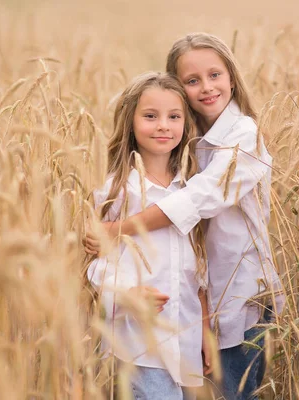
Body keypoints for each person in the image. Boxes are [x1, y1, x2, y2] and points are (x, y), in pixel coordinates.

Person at [84, 33, 284, 399]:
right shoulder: (180, 148)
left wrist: (118, 229)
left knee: (232, 394)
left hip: (241, 297)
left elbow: (202, 198)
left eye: (214, 75)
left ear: (232, 77)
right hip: (178, 316)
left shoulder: (243, 136)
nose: (206, 87)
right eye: (192, 81)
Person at [86, 72, 211, 399]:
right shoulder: (117, 190)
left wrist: (206, 334)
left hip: (184, 334)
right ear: (130, 121)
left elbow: (197, 269)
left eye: (174, 117)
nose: (163, 126)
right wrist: (127, 293)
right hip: (139, 337)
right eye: (150, 116)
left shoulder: (192, 189)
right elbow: (98, 263)